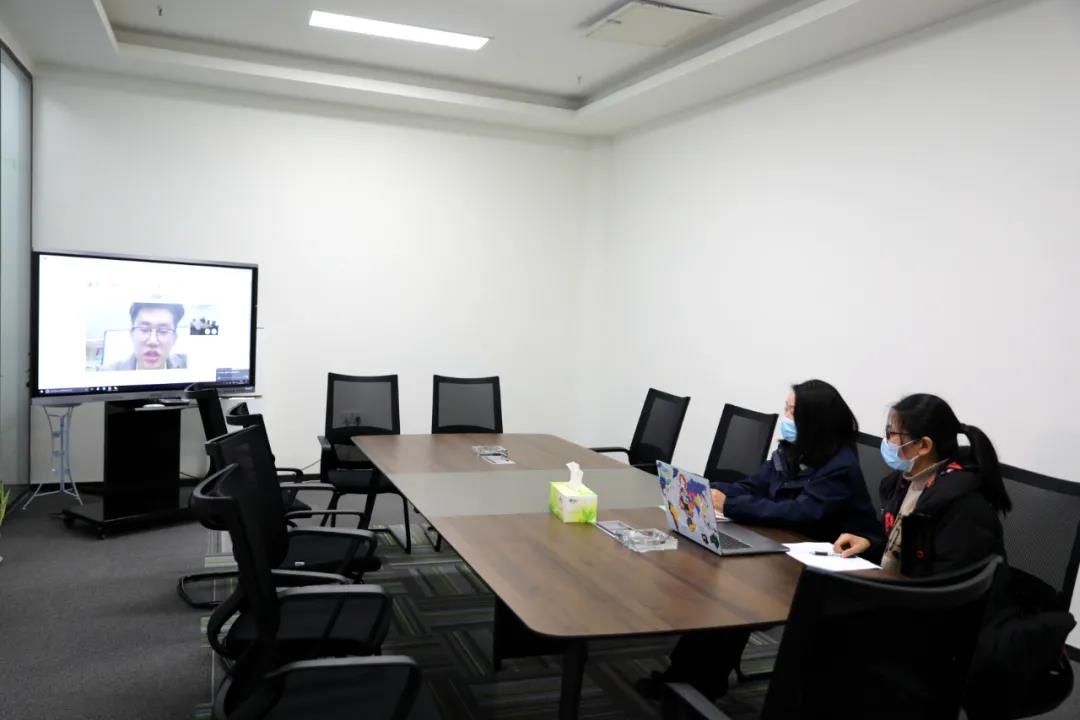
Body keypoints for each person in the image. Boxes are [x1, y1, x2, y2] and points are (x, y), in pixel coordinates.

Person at [833, 394, 1075, 718]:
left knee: (839, 643)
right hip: (909, 605)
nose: (886, 441)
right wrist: (871, 543)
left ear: (924, 446)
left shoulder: (963, 507)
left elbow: (952, 590)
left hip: (955, 633)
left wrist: (887, 601)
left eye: (893, 434)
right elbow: (907, 548)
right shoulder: (905, 484)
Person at [638, 379, 880, 701]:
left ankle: (699, 683)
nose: (786, 418)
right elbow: (755, 486)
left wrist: (730, 504)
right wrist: (712, 491)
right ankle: (684, 676)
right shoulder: (791, 451)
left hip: (822, 566)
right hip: (781, 547)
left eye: (793, 412)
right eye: (786, 409)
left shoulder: (840, 467)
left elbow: (800, 513)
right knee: (718, 583)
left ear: (814, 419)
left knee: (734, 597)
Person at [105, 302, 188, 370]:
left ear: (174, 338)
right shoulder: (107, 375)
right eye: (144, 329)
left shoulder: (190, 366)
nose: (153, 341)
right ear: (132, 333)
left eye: (163, 331)